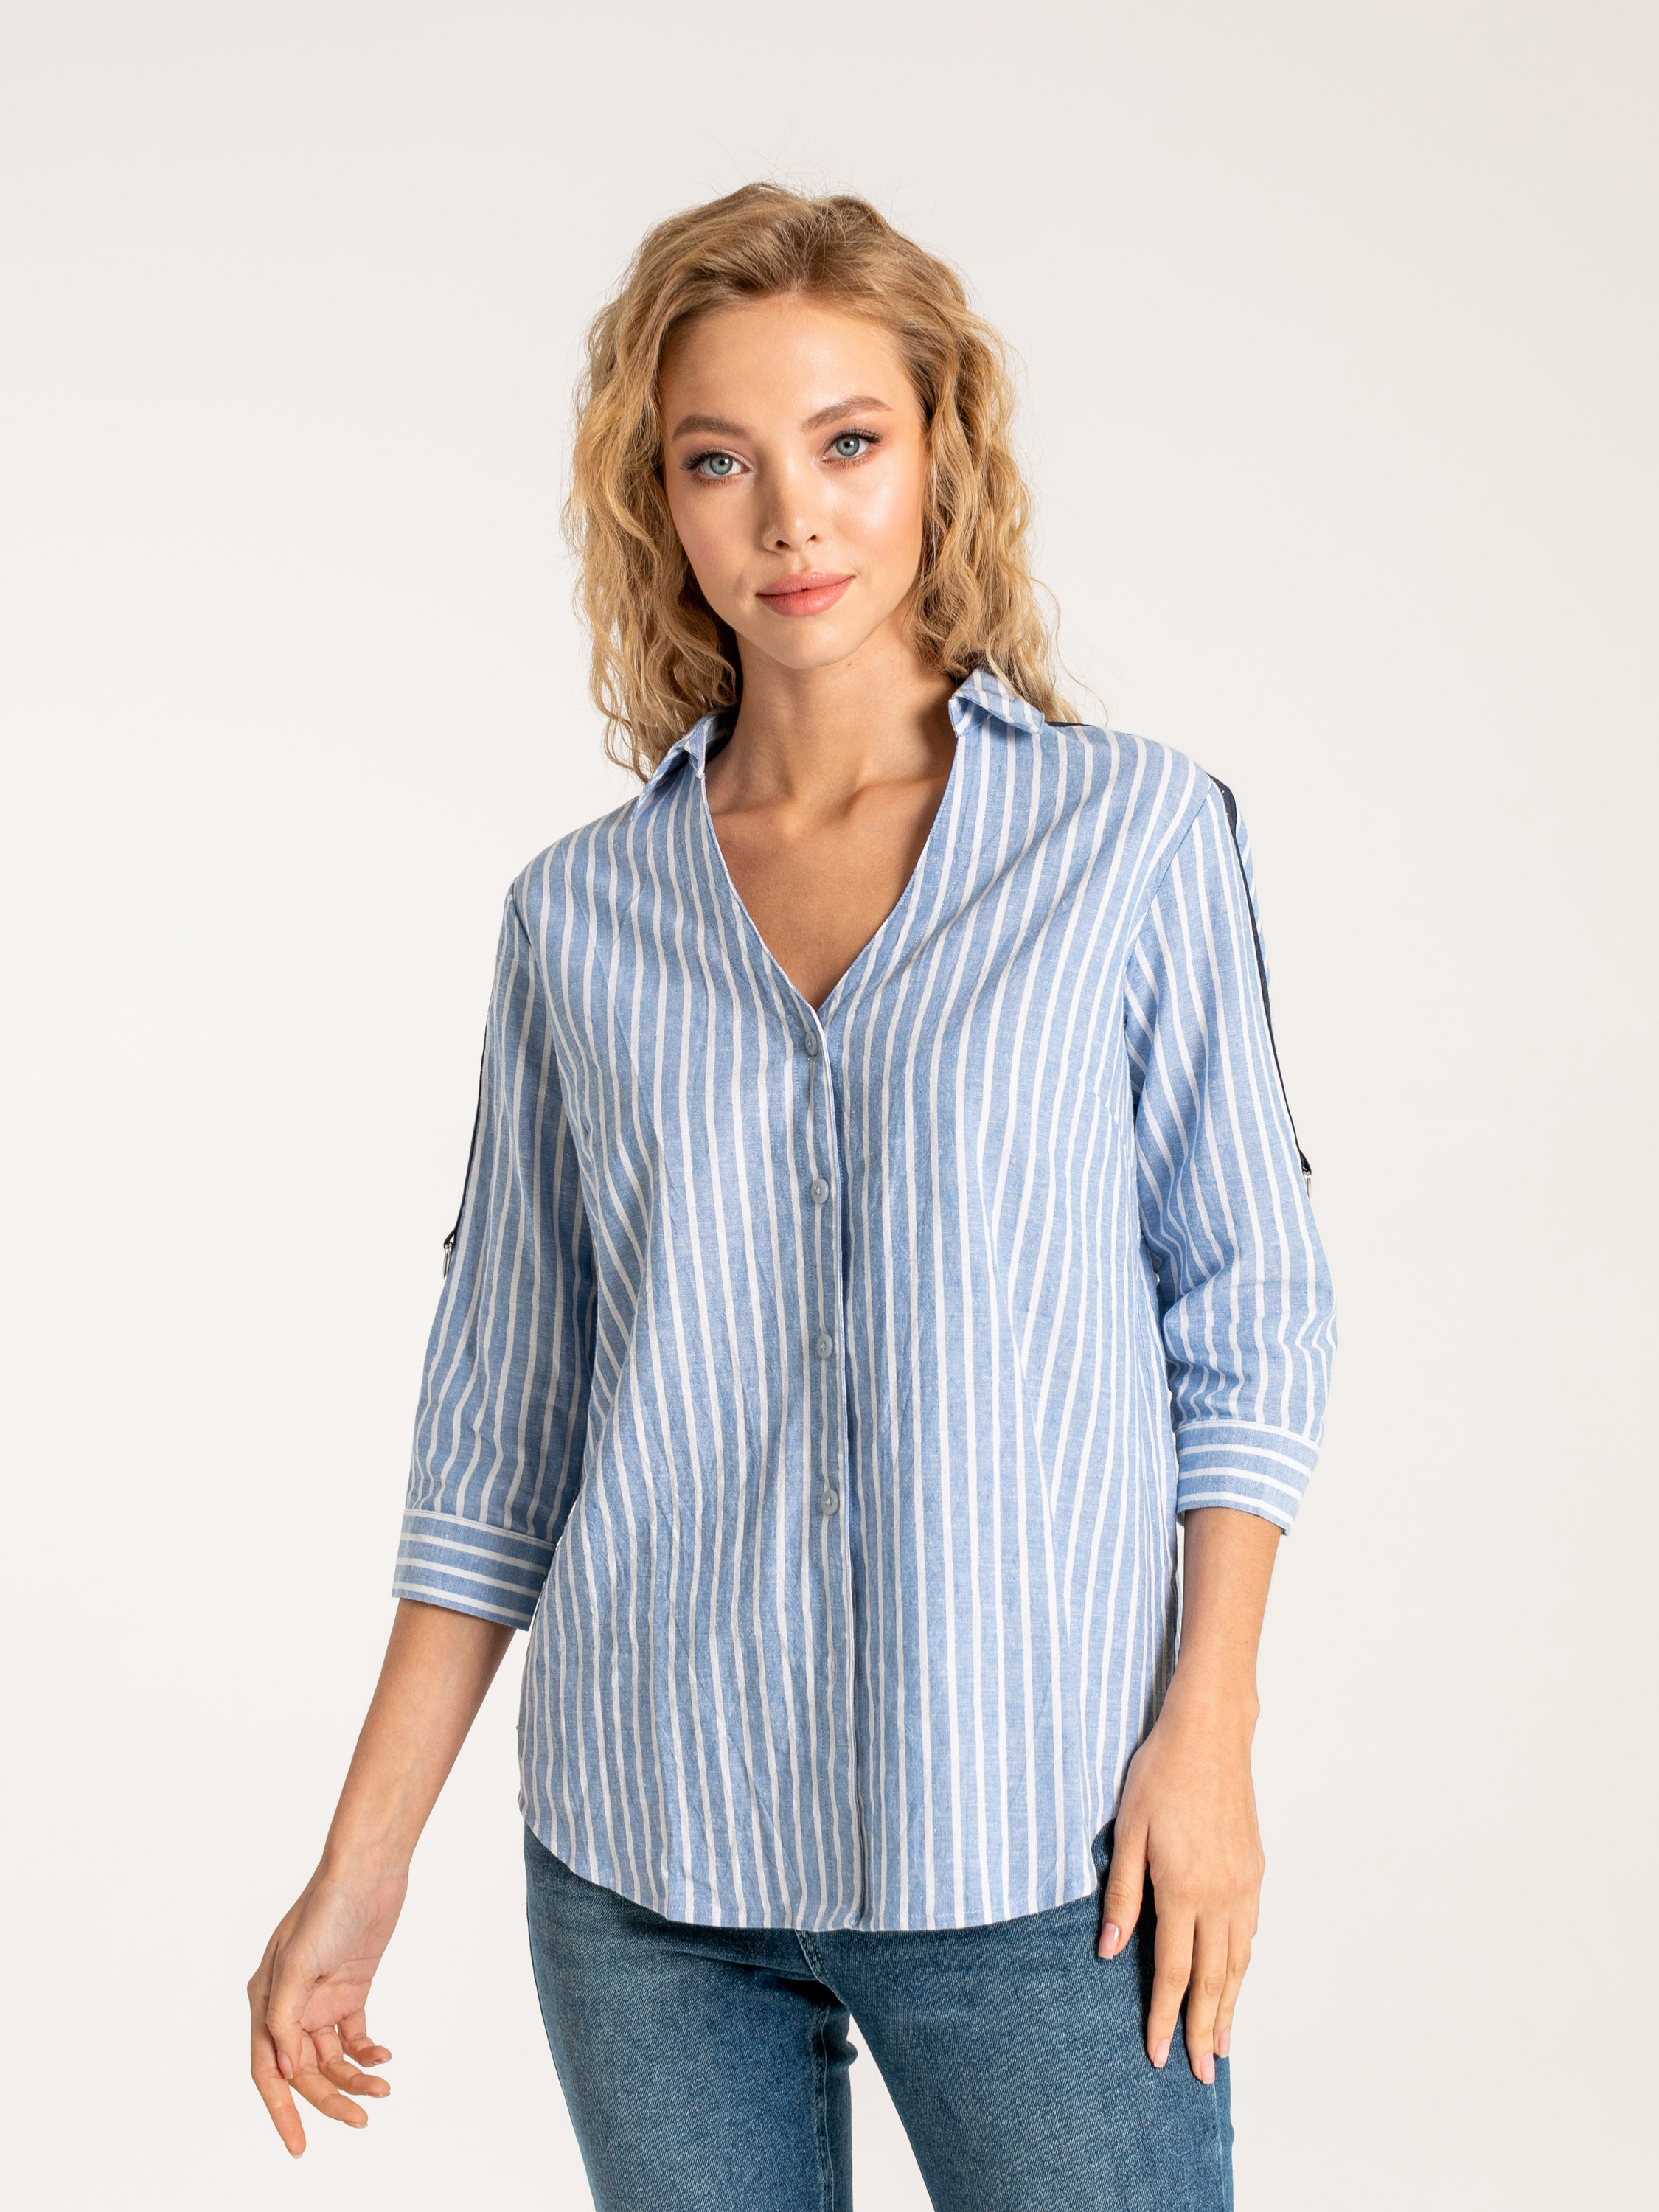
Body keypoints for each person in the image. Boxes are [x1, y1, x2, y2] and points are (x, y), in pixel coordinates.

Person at [248, 183, 1336, 2211]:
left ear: (941, 452)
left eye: (846, 441)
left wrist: (1211, 1738)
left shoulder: (1130, 841)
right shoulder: (578, 920)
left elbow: (1248, 1307)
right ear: (656, 500)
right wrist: (359, 1867)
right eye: (718, 461)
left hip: (1045, 1848)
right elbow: (502, 1430)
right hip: (649, 1864)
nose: (790, 518)